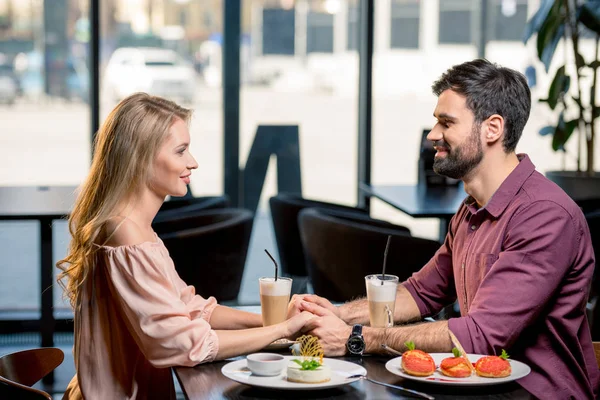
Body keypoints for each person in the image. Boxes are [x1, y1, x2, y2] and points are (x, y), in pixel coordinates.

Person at [289, 59, 598, 399]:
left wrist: (357, 335)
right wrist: (336, 313)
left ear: (492, 129)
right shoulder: (470, 211)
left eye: (446, 123)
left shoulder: (544, 215)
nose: (432, 135)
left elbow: (481, 336)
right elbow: (420, 293)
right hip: (478, 388)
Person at [57, 93, 313, 399]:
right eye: (181, 151)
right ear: (140, 158)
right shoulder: (125, 234)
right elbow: (179, 342)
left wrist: (274, 319)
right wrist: (280, 331)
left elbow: (190, 309)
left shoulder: (137, 230)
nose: (193, 162)